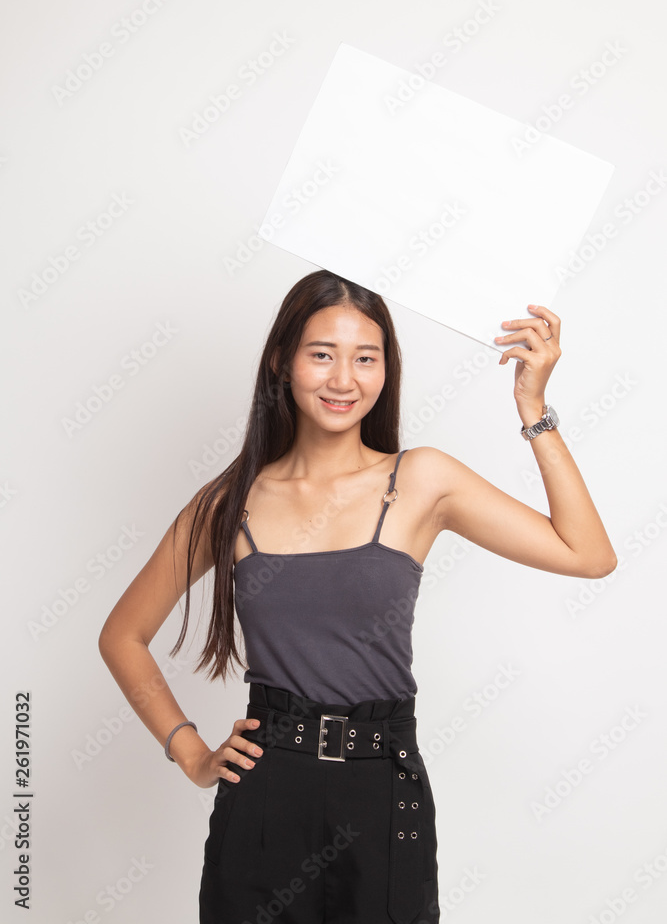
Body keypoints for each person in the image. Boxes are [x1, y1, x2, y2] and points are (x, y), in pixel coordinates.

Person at [98, 269, 616, 923]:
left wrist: (531, 409)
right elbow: (122, 636)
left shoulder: (422, 479)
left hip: (381, 794)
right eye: (322, 354)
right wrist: (192, 753)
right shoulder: (230, 502)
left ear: (385, 369)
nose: (343, 380)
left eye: (364, 358)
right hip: (265, 796)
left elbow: (588, 555)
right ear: (283, 363)